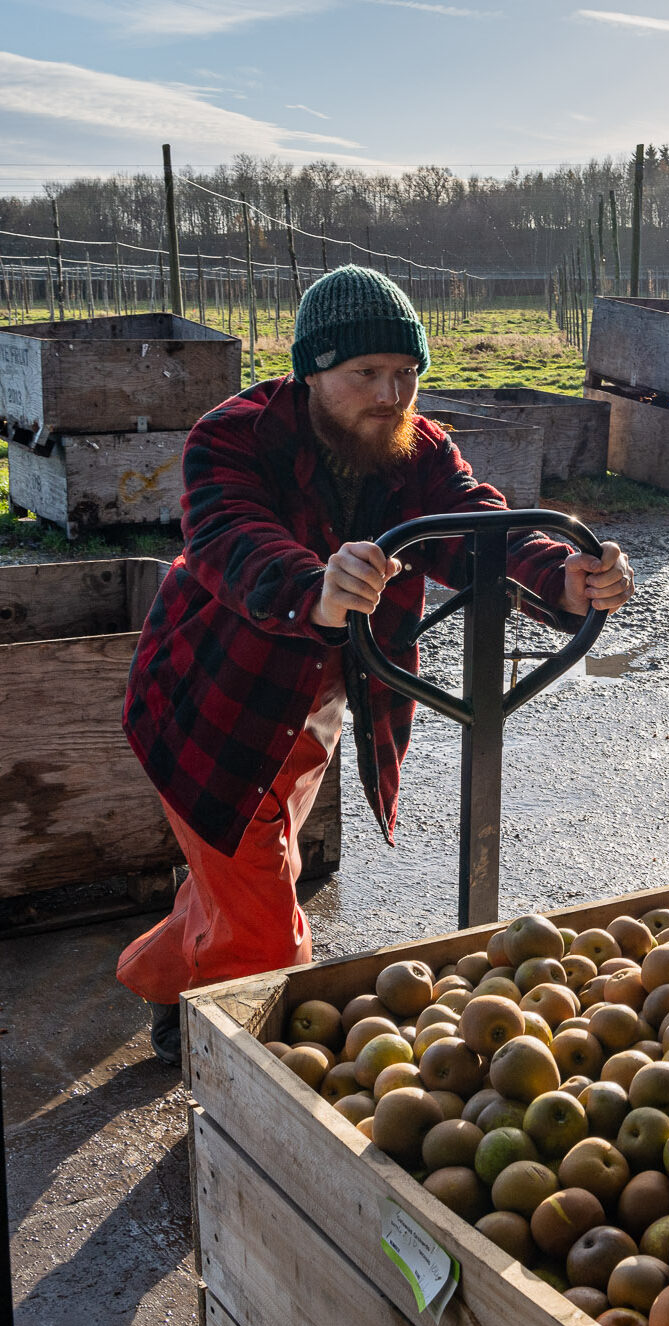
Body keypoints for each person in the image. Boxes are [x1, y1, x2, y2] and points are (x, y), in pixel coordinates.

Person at [117, 264, 635, 1065]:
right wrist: (314, 588)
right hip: (210, 705)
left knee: (250, 867)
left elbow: (478, 528)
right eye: (366, 374)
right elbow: (227, 537)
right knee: (260, 923)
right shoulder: (232, 435)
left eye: (406, 374)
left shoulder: (416, 450)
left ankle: (160, 979)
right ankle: (240, 1091)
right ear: (311, 370)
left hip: (311, 711)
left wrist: (563, 576)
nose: (392, 395)